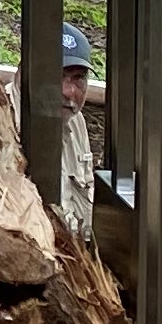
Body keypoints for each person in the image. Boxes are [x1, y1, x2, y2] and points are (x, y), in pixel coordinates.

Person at [57, 21, 104, 230]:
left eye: (78, 78)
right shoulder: (3, 119)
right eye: (57, 76)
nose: (68, 91)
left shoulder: (75, 120)